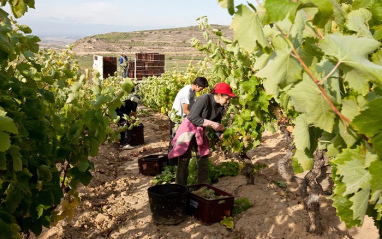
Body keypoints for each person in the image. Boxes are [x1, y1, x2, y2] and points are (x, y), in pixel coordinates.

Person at [168, 82, 236, 185]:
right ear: (219, 94)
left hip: (200, 131)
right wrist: (211, 123)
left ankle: (203, 187)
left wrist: (220, 135)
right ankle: (180, 187)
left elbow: (216, 124)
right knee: (184, 159)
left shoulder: (220, 107)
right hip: (188, 130)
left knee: (203, 159)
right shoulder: (204, 98)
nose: (227, 102)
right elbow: (192, 117)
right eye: (226, 98)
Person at [168, 77, 209, 153]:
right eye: (201, 88)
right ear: (196, 85)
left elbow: (192, 106)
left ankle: (180, 157)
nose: (201, 90)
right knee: (175, 139)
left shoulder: (192, 90)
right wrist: (196, 119)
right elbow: (186, 110)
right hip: (177, 118)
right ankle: (172, 161)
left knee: (183, 139)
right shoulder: (186, 92)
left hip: (182, 118)